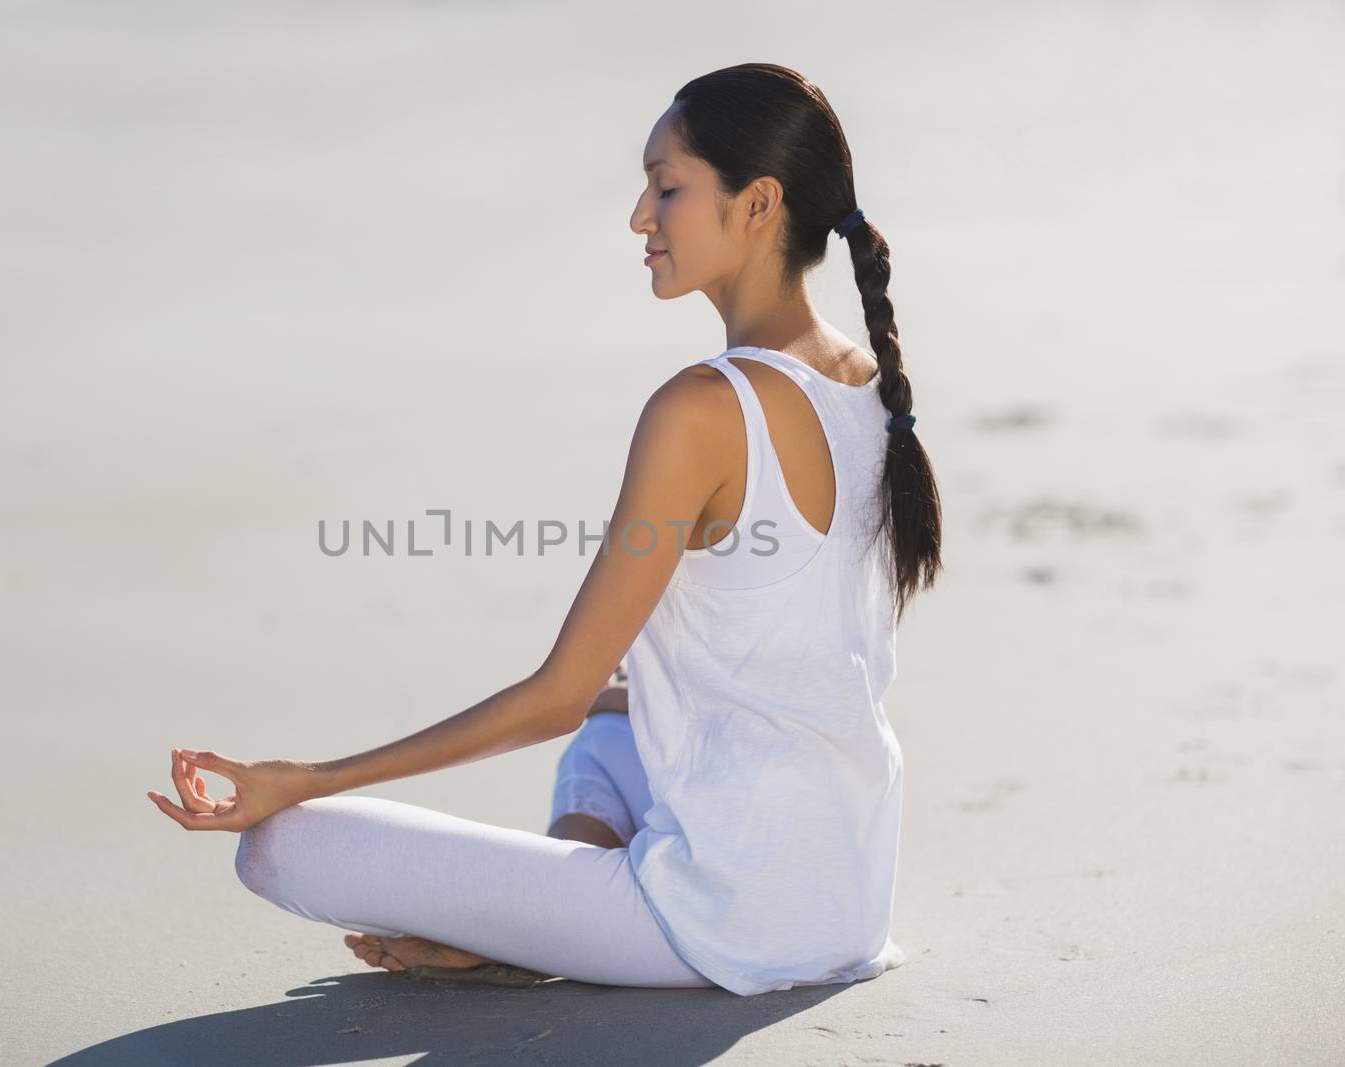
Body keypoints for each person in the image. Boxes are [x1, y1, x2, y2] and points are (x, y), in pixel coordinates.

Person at [146, 62, 943, 997]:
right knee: (608, 734)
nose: (641, 216)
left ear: (758, 202)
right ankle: (539, 928)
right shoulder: (864, 379)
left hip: (732, 922)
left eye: (668, 186)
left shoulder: (703, 408)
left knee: (282, 849)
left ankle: (537, 936)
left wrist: (309, 779)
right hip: (847, 897)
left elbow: (554, 693)